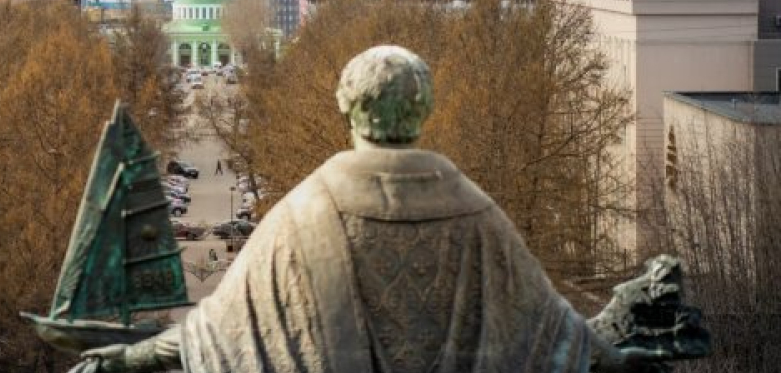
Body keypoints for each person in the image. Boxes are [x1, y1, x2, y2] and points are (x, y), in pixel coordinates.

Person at [72, 45, 677, 373]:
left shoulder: (303, 213)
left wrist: (126, 359)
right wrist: (621, 351)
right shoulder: (475, 213)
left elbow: (220, 330)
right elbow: (552, 331)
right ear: (426, 109)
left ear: (344, 106)